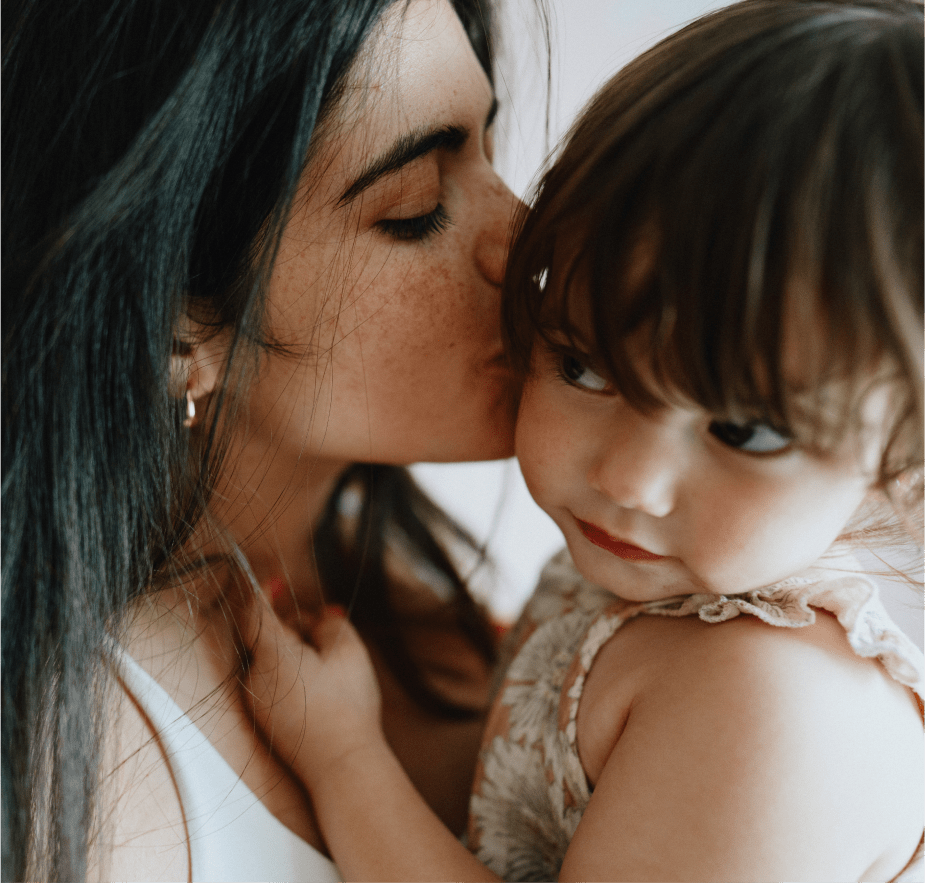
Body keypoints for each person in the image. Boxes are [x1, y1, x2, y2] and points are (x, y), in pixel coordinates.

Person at [243, 0, 925, 880]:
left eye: (742, 430)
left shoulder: (771, 701)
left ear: (902, 450)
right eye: (585, 368)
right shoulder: (671, 572)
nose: (629, 476)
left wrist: (344, 760)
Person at [1, 0, 522, 879]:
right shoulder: (77, 767)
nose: (525, 240)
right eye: (417, 206)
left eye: (490, 148)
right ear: (174, 328)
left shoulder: (466, 616)